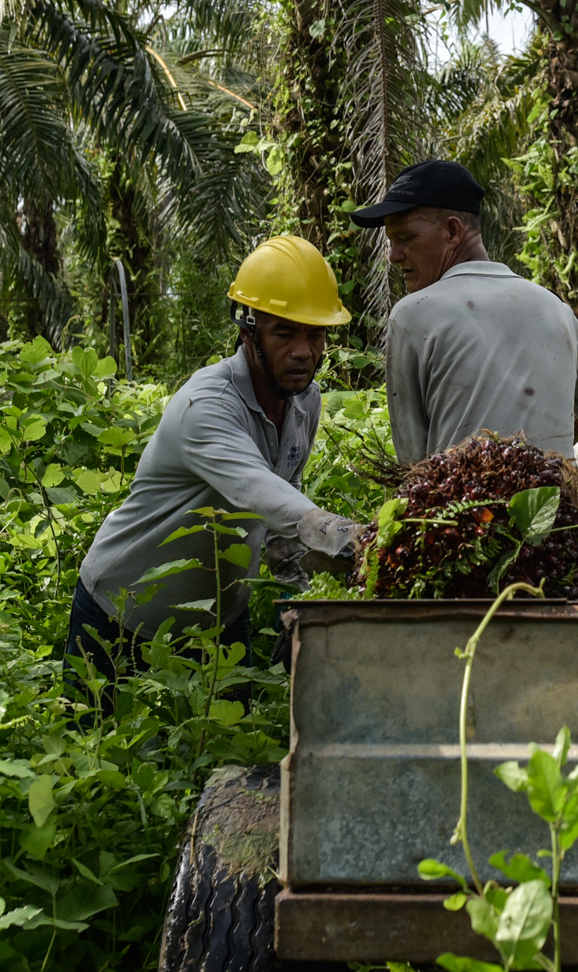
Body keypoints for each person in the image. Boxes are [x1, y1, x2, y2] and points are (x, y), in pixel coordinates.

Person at [65, 236, 365, 707]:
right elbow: (260, 491)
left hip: (220, 619)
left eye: (315, 335)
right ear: (248, 332)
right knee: (93, 745)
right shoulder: (206, 405)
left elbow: (281, 508)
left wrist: (307, 598)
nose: (304, 351)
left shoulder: (304, 402)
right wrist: (349, 536)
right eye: (284, 334)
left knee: (228, 743)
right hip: (122, 615)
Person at [352, 160, 578, 478]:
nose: (394, 255)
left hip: (462, 510)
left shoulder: (411, 315)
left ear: (452, 231)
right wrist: (572, 483)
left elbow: (414, 469)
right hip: (559, 510)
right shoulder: (554, 309)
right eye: (392, 242)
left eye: (405, 238)